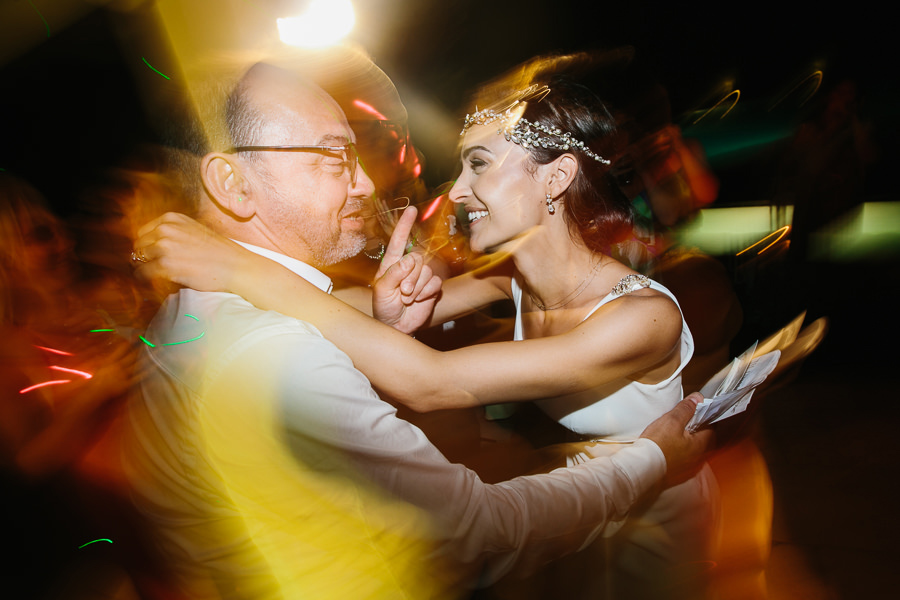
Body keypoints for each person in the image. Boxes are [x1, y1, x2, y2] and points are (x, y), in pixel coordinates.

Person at [123, 59, 712, 599]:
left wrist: (240, 267)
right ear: (230, 182)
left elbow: (429, 380)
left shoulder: (644, 317)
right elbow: (356, 311)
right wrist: (384, 310)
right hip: (594, 509)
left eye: (478, 164)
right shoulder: (506, 280)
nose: (453, 191)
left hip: (656, 519)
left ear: (555, 178)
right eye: (334, 158)